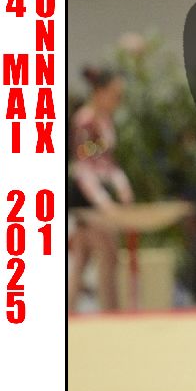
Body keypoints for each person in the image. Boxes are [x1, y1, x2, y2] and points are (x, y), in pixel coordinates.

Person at [68, 67, 134, 312]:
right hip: (86, 195)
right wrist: (102, 201)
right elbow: (84, 167)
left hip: (99, 192)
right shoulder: (84, 121)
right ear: (99, 92)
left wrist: (122, 185)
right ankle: (110, 312)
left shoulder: (104, 121)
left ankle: (72, 312)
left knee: (82, 258)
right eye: (115, 95)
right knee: (107, 252)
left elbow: (107, 162)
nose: (118, 101)